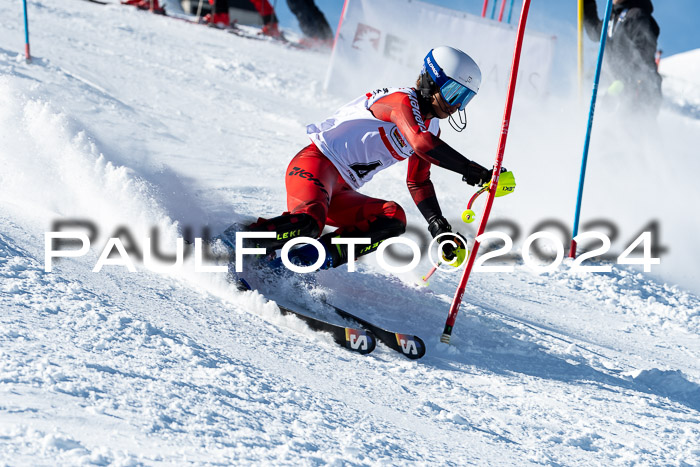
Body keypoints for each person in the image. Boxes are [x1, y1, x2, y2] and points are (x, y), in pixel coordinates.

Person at [235, 46, 513, 272]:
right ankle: (233, 243)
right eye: (453, 93)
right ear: (431, 80)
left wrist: (439, 227)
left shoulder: (432, 127)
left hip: (341, 190)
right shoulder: (401, 101)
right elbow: (420, 142)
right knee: (310, 223)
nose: (455, 106)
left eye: (464, 99)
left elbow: (418, 181)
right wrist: (474, 170)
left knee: (393, 217)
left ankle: (301, 262)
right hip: (316, 164)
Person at [583, 0, 662, 116]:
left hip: (640, 88)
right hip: (622, 86)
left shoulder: (637, 16)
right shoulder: (613, 17)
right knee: (612, 129)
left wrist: (619, 85)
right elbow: (594, 32)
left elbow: (643, 58)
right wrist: (586, 4)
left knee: (630, 128)